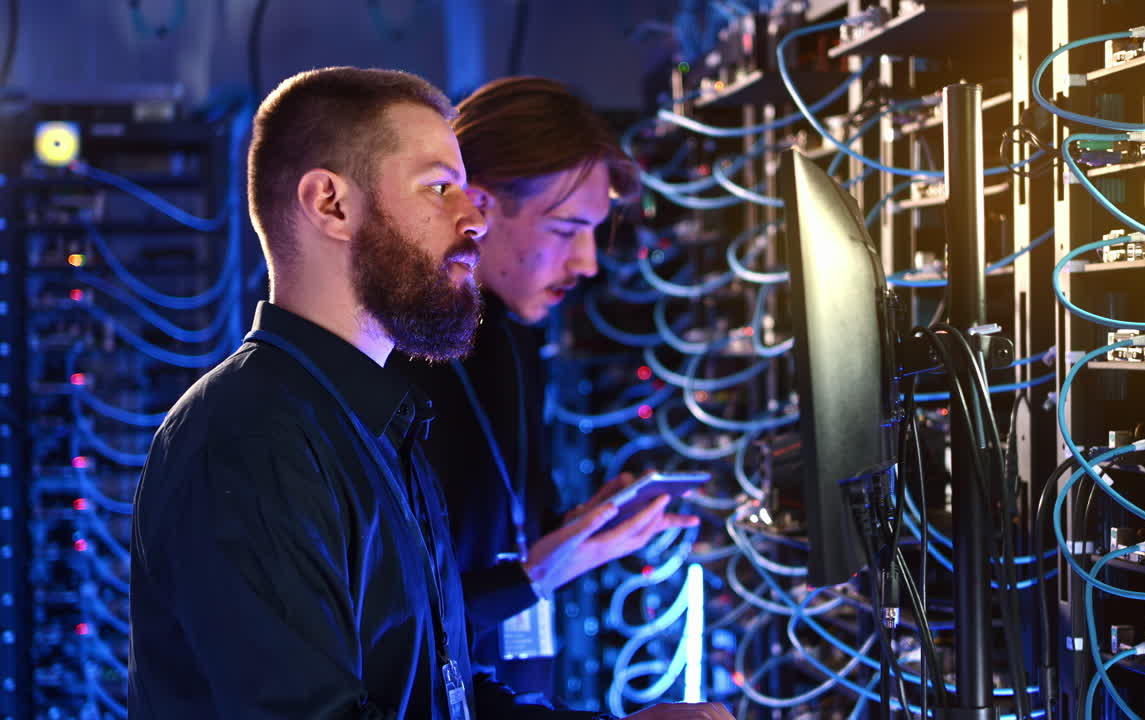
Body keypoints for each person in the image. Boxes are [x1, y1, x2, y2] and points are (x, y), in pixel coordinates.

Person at [129, 66, 730, 720]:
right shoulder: (250, 438)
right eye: (441, 187)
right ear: (330, 203)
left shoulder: (378, 427)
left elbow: (440, 697)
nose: (475, 216)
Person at [399, 76, 699, 700]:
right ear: (475, 210)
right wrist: (537, 573)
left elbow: (495, 535)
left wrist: (585, 528)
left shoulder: (510, 338)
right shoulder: (402, 358)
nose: (587, 263)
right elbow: (390, 633)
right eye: (566, 231)